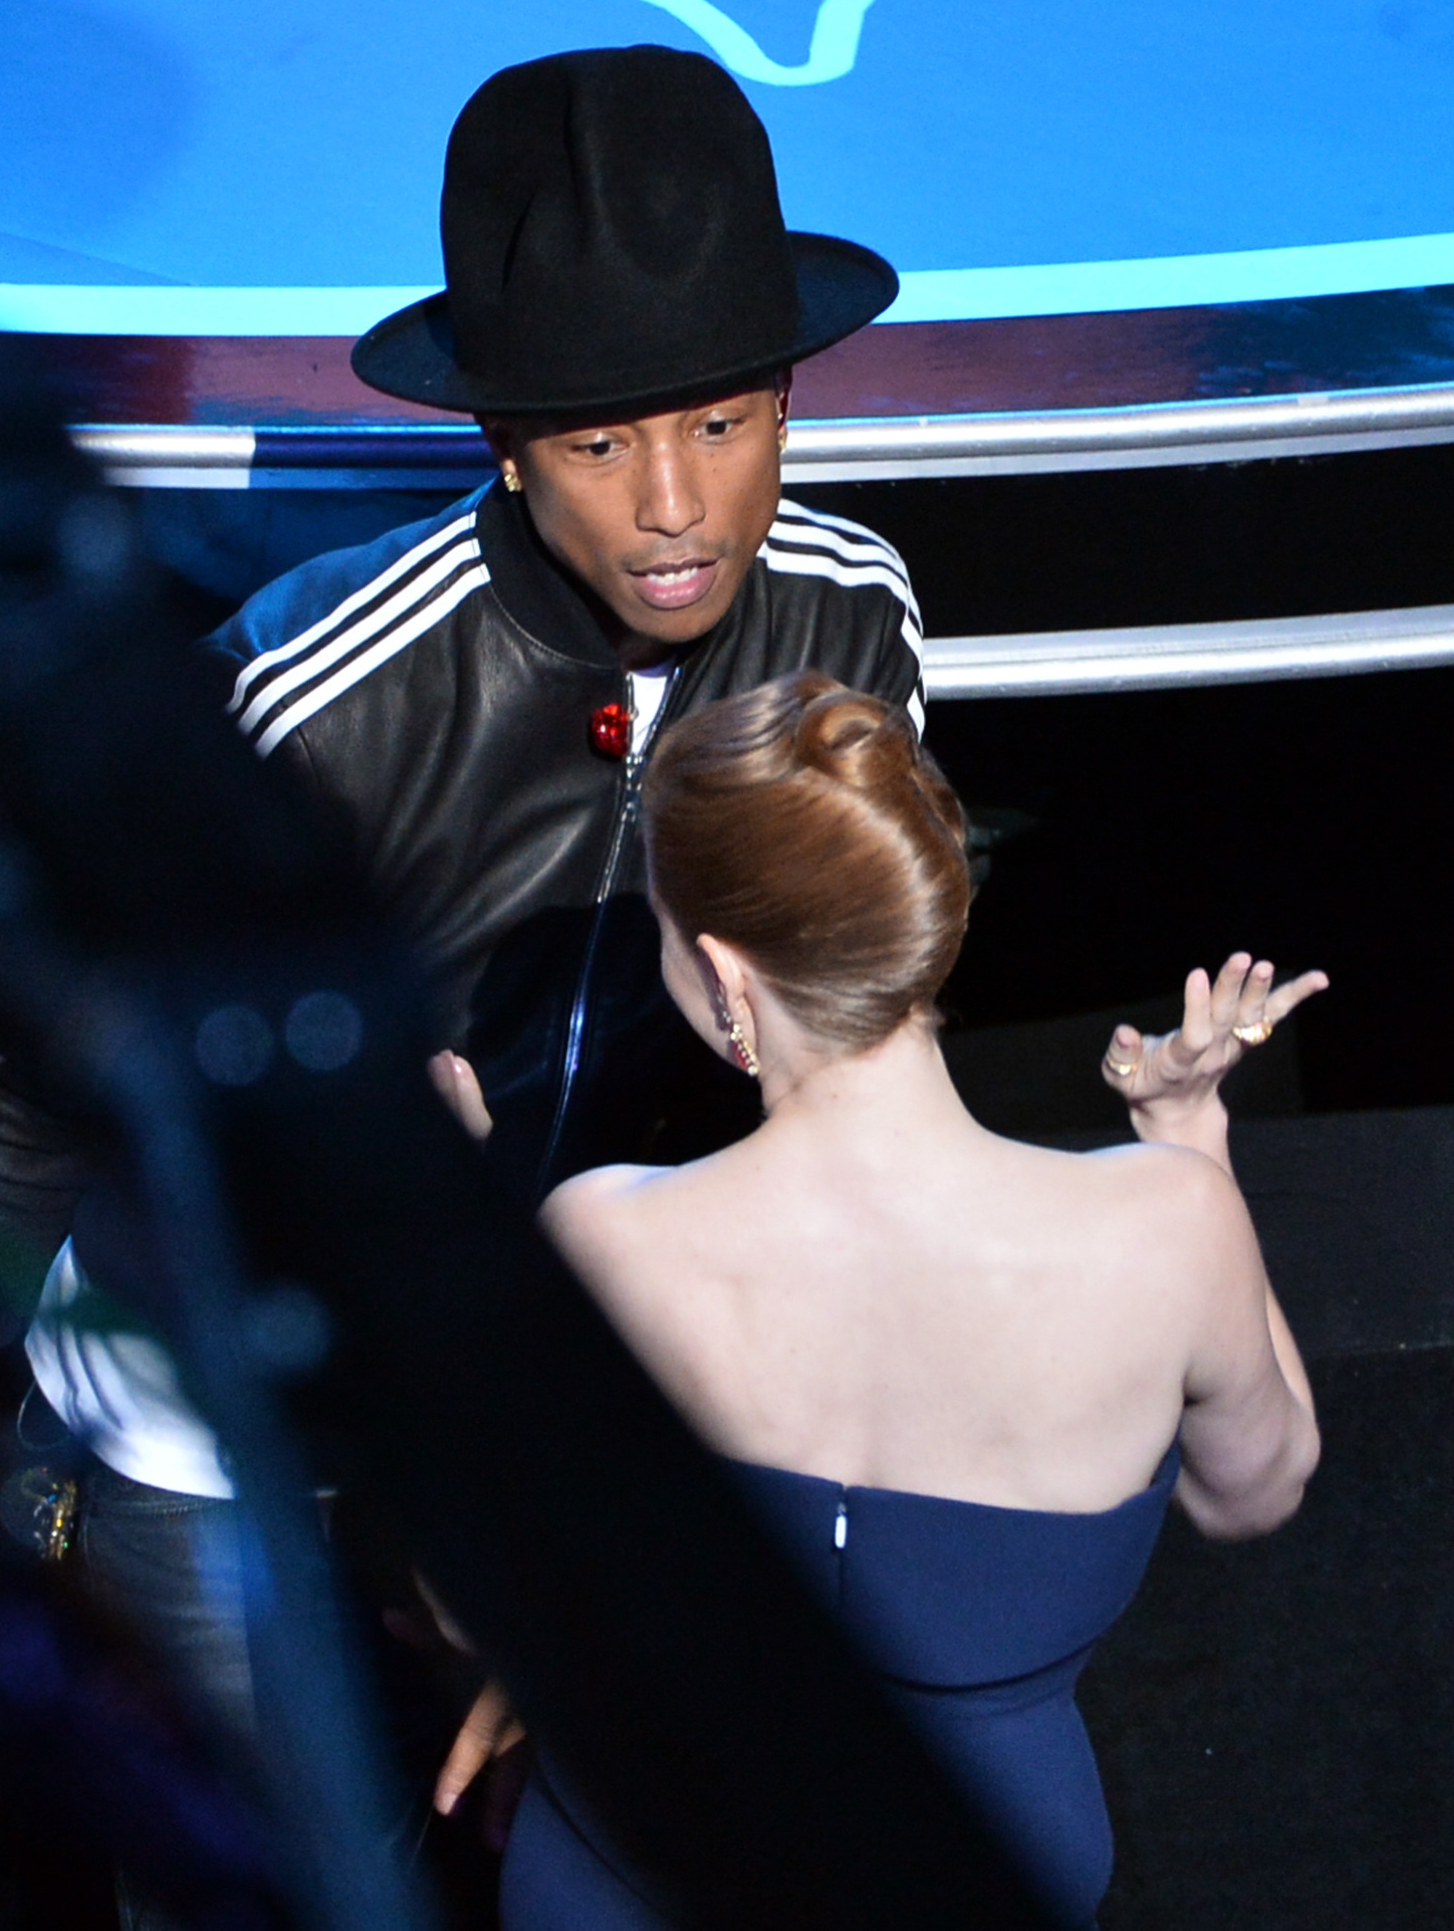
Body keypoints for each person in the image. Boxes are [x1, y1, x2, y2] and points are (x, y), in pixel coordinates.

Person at [0, 46, 924, 1913]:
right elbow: (24, 1113)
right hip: (233, 1441)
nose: (674, 508)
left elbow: (837, 1041)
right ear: (501, 439)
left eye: (723, 422)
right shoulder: (313, 693)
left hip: (562, 1405)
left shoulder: (857, 617)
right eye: (601, 441)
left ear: (791, 391)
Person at [437, 672, 1323, 1931]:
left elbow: (473, 1596)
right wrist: (1188, 1127)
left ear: (723, 969)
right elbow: (1259, 1487)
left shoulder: (600, 1240)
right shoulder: (1170, 1223)